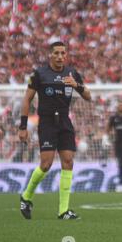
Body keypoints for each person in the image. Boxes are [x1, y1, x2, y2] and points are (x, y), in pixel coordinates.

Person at [18, 41, 91, 220]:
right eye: (56, 53)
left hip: (65, 122)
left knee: (68, 161)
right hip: (48, 122)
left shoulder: (72, 73)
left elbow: (88, 96)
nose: (60, 56)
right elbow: (27, 99)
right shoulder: (40, 74)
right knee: (46, 164)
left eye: (63, 53)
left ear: (66, 55)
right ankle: (26, 197)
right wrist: (22, 126)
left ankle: (63, 211)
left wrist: (77, 86)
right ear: (50, 55)